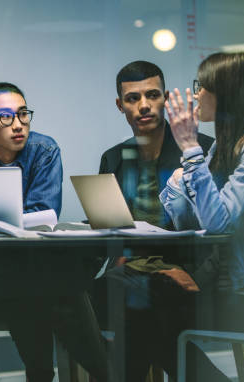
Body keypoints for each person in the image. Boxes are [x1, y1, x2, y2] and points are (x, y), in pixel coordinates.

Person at [0, 79, 108, 382]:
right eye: (5, 117)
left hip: (35, 270)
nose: (18, 124)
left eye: (23, 114)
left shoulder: (43, 150)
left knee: (53, 295)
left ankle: (93, 373)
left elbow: (43, 213)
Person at [92, 61, 215, 381]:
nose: (143, 105)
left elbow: (222, 223)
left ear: (166, 98)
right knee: (72, 301)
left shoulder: (198, 148)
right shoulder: (114, 158)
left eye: (152, 95)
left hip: (186, 278)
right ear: (120, 105)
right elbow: (107, 229)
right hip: (129, 279)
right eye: (132, 98)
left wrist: (196, 273)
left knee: (142, 315)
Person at [161, 51, 244, 381]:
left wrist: (188, 147)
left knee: (157, 323)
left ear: (226, 93)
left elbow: (216, 222)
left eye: (203, 86)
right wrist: (181, 179)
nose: (196, 94)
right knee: (146, 314)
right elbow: (190, 223)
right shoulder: (223, 145)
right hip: (230, 282)